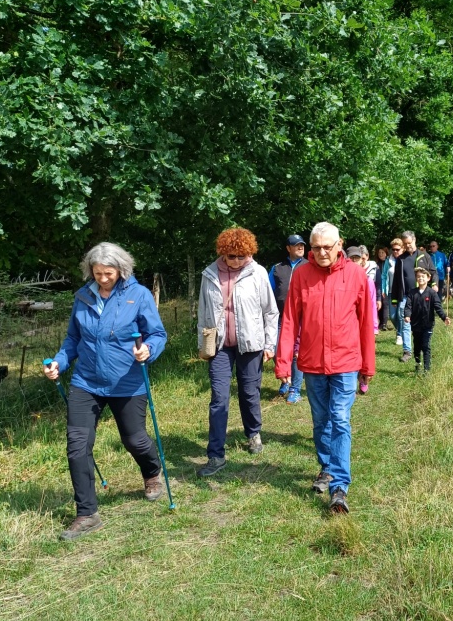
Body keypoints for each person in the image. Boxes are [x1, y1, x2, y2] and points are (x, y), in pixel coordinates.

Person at [43, 242, 168, 540]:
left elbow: (157, 334)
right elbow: (73, 339)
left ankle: (152, 473)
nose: (102, 279)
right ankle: (87, 514)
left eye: (108, 273)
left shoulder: (138, 295)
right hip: (86, 381)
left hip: (127, 381)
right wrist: (59, 362)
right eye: (97, 273)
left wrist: (148, 349)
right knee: (77, 445)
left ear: (121, 270)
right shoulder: (83, 296)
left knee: (134, 439)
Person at [275, 222, 375, 514]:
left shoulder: (356, 275)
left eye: (326, 247)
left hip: (346, 362)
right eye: (316, 247)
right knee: (321, 421)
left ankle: (339, 486)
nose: (320, 253)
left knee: (340, 418)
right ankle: (327, 466)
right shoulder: (301, 274)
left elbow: (366, 323)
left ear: (339, 244)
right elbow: (290, 320)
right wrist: (284, 362)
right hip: (312, 363)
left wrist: (368, 365)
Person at [197, 227, 278, 476]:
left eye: (241, 256)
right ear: (223, 253)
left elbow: (270, 311)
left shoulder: (257, 272)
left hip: (251, 344)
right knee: (219, 398)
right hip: (220, 346)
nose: (236, 261)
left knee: (249, 393)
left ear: (249, 253)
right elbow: (203, 311)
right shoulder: (210, 273)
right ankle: (215, 455)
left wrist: (270, 344)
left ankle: (253, 433)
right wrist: (203, 344)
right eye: (231, 256)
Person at [268, 234, 307, 404]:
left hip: (301, 319)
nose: (300, 247)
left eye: (302, 245)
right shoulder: (277, 268)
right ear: (288, 248)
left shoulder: (309, 267)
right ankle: (286, 378)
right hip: (279, 318)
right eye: (296, 245)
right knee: (277, 350)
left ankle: (295, 389)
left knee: (297, 354)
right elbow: (268, 292)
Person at [391, 231, 437, 363]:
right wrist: (394, 298)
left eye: (409, 243)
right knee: (405, 322)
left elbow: (433, 272)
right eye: (405, 244)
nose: (407, 246)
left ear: (414, 240)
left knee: (421, 323)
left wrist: (434, 284)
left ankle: (424, 347)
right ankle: (407, 351)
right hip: (406, 296)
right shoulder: (401, 259)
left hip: (421, 296)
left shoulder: (424, 256)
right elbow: (396, 280)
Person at [404, 265, 450, 374]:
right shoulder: (412, 293)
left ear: (428, 278)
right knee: (417, 346)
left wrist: (444, 317)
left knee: (426, 346)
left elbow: (438, 307)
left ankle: (426, 369)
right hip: (415, 325)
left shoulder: (432, 293)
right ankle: (418, 363)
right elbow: (408, 306)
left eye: (423, 276)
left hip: (427, 325)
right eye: (418, 276)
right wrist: (407, 315)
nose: (420, 278)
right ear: (416, 278)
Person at [346, 246, 379, 393]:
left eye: (357, 258)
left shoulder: (367, 280)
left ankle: (363, 378)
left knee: (364, 350)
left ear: (362, 260)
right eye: (351, 258)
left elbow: (372, 305)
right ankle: (352, 380)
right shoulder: (343, 279)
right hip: (349, 324)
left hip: (364, 322)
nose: (354, 261)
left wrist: (374, 327)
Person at [386, 238, 404, 344]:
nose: (395, 251)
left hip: (402, 292)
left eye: (397, 249)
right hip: (391, 292)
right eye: (393, 249)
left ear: (402, 249)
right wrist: (384, 289)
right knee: (392, 316)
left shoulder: (405, 259)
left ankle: (400, 334)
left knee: (400, 314)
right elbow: (384, 276)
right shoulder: (389, 260)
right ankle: (402, 329)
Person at [374, 247, 390, 330]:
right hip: (378, 286)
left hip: (386, 286)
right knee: (379, 303)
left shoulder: (388, 262)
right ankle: (381, 322)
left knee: (385, 303)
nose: (381, 254)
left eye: (382, 252)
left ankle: (384, 323)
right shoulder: (376, 263)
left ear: (386, 253)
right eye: (379, 252)